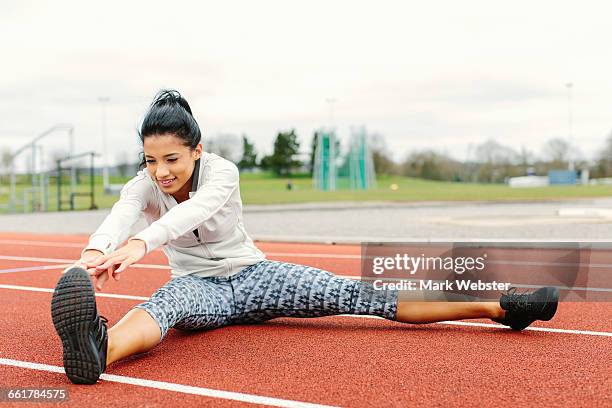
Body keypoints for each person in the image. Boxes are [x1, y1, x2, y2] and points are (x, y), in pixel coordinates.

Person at [51, 90, 559, 385]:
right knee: (164, 306)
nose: (160, 172)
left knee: (360, 295)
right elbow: (121, 215)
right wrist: (92, 255)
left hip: (255, 277)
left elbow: (192, 215)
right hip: (199, 287)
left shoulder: (222, 172)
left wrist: (142, 245)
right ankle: (99, 349)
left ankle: (500, 306)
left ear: (197, 151)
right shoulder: (143, 185)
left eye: (172, 160)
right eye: (150, 161)